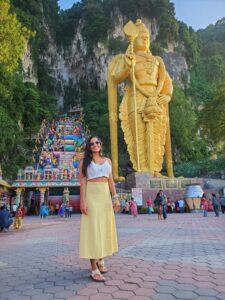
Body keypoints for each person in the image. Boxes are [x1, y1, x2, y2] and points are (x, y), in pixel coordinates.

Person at [108, 19, 173, 179]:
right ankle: (142, 169)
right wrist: (127, 67)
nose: (145, 40)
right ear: (134, 39)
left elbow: (166, 80)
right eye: (141, 37)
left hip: (156, 99)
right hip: (136, 99)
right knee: (139, 136)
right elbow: (115, 79)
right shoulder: (127, 58)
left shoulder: (157, 60)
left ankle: (156, 169)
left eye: (147, 37)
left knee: (157, 135)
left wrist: (167, 95)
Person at [79, 136, 120, 282]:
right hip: (92, 195)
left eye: (97, 142)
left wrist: (115, 197)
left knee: (103, 228)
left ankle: (101, 259)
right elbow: (83, 182)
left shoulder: (107, 161)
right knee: (93, 230)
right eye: (91, 143)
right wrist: (83, 202)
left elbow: (110, 180)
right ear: (89, 147)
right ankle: (93, 268)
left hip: (105, 197)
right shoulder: (84, 162)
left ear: (100, 144)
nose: (95, 145)